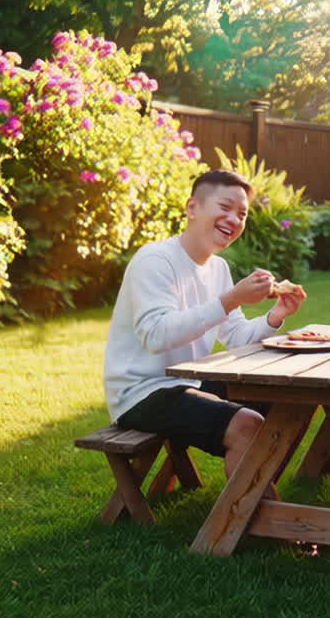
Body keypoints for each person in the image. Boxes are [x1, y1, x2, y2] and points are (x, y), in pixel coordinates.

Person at [103, 169, 306, 478]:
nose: (234, 220)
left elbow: (236, 336)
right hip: (142, 392)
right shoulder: (155, 260)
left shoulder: (218, 268)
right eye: (225, 208)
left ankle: (255, 498)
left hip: (190, 382)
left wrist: (275, 315)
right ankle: (245, 517)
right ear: (192, 208)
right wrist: (229, 300)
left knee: (290, 400)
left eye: (242, 214)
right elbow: (155, 335)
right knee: (247, 424)